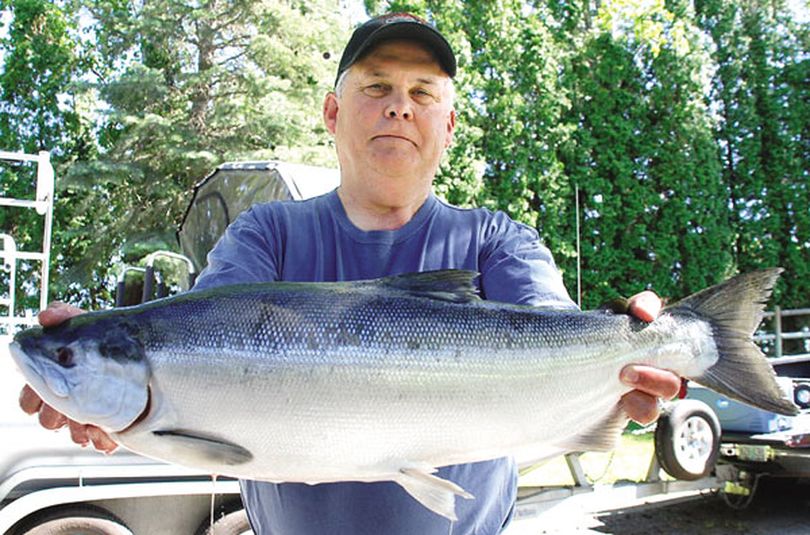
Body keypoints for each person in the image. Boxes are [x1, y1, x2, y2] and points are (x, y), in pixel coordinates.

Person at [20, 12, 681, 534]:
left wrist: (636, 344)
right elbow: (202, 323)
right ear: (333, 113)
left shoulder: (494, 239)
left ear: (447, 125)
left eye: (422, 93)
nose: (400, 106)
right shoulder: (265, 233)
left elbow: (564, 335)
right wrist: (89, 392)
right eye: (376, 87)